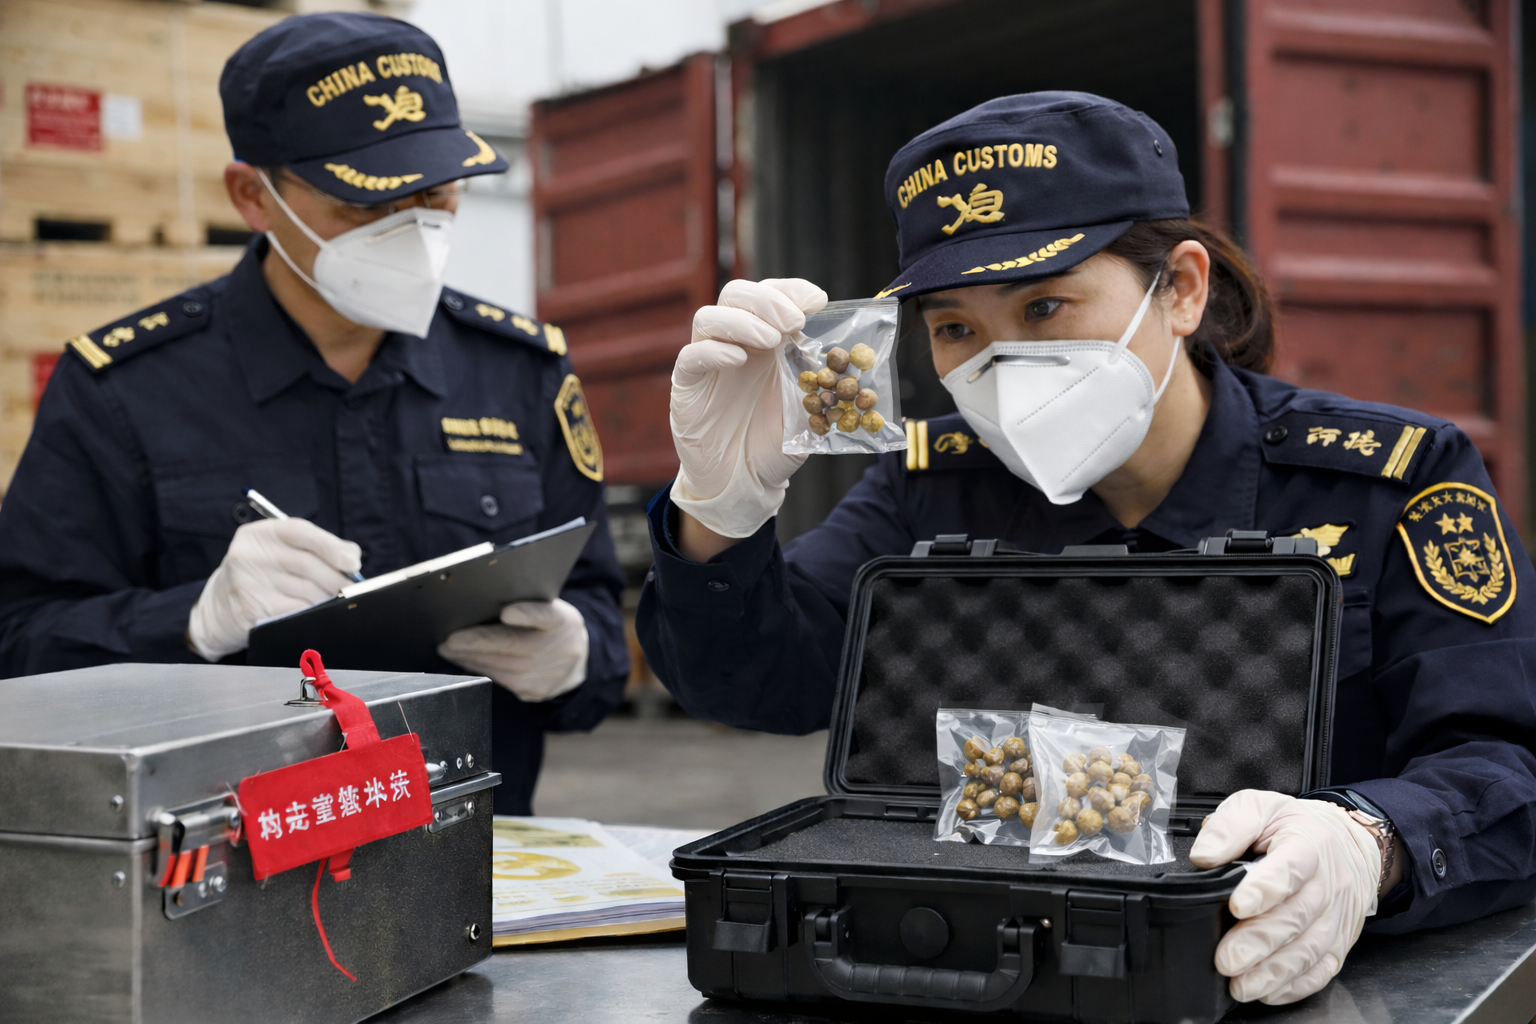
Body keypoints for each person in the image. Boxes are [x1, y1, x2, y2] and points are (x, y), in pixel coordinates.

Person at [637, 92, 1536, 1004]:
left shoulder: (1387, 481)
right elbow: (765, 686)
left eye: (1045, 305)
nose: (1000, 362)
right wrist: (721, 512)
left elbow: (1508, 763)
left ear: (1181, 289)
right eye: (955, 328)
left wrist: (1373, 842)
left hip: (1290, 983)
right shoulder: (927, 484)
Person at [0, 12, 628, 815]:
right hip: (230, 861)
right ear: (253, 196)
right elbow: (21, 645)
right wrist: (189, 622)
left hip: (473, 846)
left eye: (436, 192)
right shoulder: (128, 389)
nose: (412, 226)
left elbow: (600, 622)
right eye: (367, 201)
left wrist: (576, 656)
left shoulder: (516, 373)